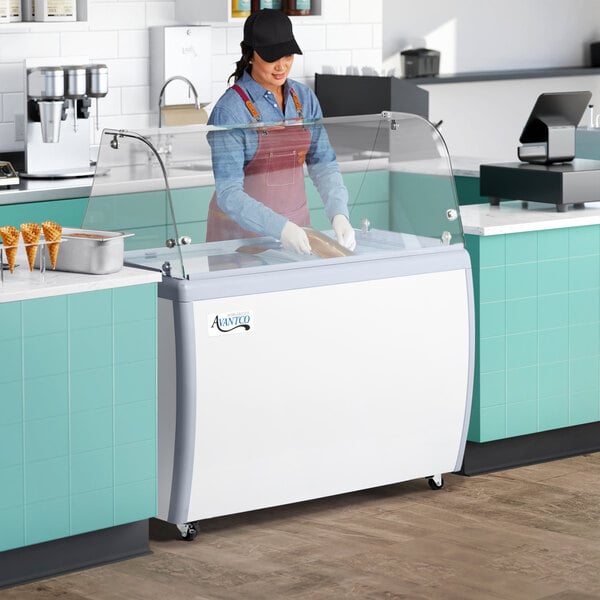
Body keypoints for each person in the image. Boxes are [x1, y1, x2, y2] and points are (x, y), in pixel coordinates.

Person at [206, 8, 356, 254]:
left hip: (298, 232)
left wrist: (339, 213)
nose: (281, 66)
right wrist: (281, 228)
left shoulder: (305, 98)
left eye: (287, 55)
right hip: (240, 241)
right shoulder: (230, 111)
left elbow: (324, 164)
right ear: (250, 55)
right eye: (271, 56)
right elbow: (229, 194)